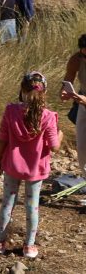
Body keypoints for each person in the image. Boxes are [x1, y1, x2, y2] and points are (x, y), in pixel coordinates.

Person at [0, 72, 61, 258]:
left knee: (7, 203)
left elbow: (2, 139)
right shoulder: (48, 116)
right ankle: (29, 246)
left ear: (22, 90)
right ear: (44, 93)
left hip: (12, 166)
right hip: (35, 169)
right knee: (32, 207)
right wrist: (60, 135)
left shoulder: (11, 111)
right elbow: (54, 146)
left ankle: (0, 242)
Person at [61, 34, 86, 187]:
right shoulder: (76, 59)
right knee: (82, 147)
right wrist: (64, 92)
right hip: (83, 102)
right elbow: (68, 79)